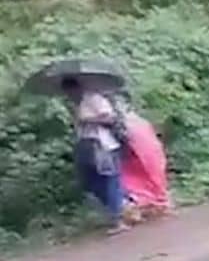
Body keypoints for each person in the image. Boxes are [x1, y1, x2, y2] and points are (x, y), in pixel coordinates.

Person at [61, 77, 129, 234]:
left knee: (110, 178)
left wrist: (88, 119)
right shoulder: (76, 104)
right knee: (89, 181)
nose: (69, 95)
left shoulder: (93, 98)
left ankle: (118, 217)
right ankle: (125, 205)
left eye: (70, 91)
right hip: (88, 145)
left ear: (76, 88)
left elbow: (111, 118)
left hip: (104, 144)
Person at [115, 92, 171, 222]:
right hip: (143, 150)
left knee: (141, 177)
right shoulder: (135, 119)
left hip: (140, 149)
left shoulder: (126, 120)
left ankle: (151, 204)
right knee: (146, 176)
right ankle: (155, 203)